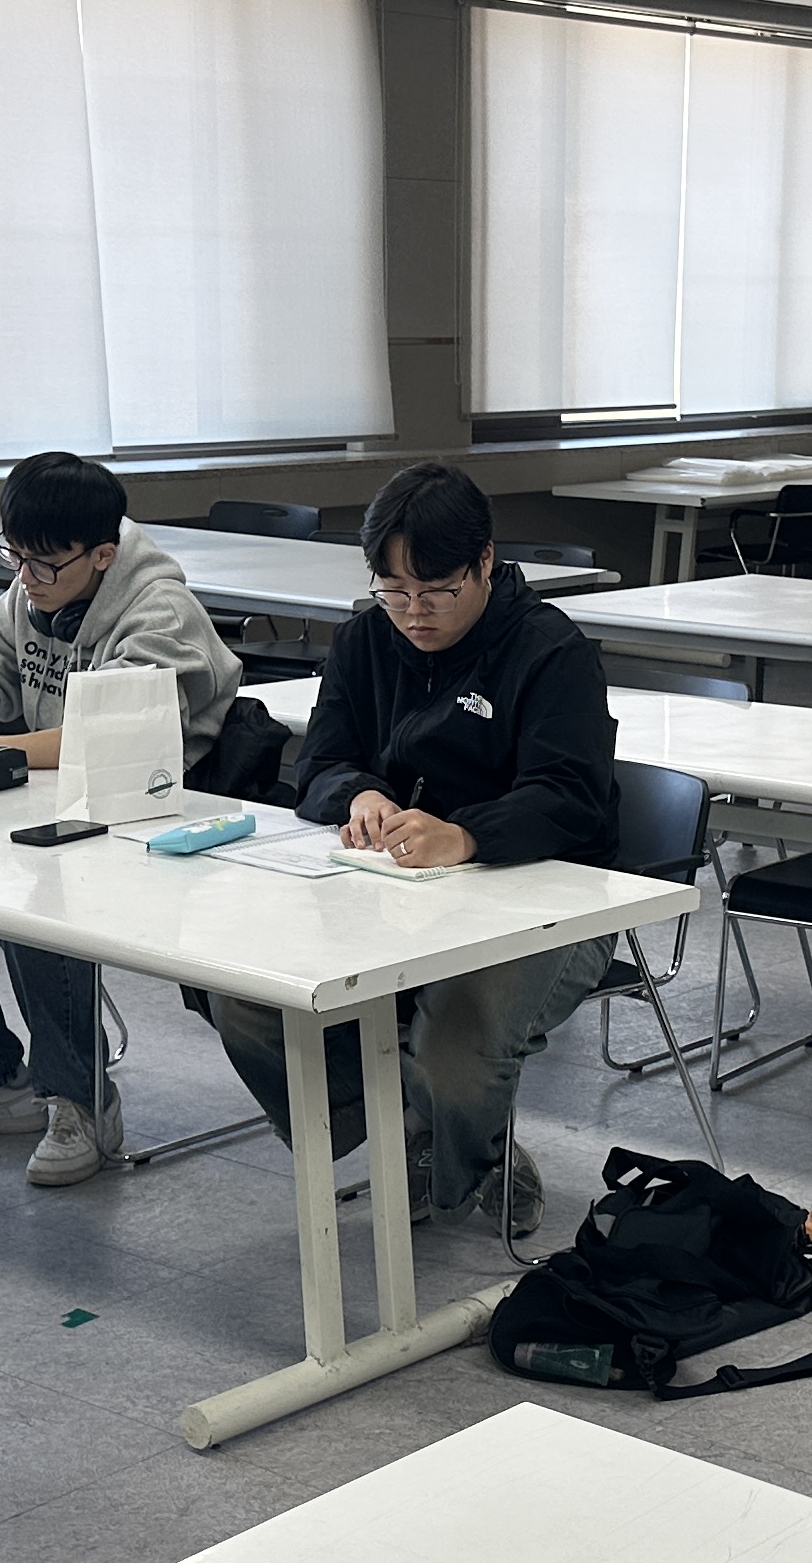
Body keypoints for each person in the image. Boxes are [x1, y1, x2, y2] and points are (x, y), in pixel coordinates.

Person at [205, 462, 615, 1237]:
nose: (414, 614)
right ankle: (415, 1133)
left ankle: (460, 1145)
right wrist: (359, 795)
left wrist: (466, 835)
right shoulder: (367, 638)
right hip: (388, 891)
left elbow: (571, 797)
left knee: (456, 1043)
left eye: (436, 592)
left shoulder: (549, 650)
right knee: (249, 999)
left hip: (548, 899)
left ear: (485, 562)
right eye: (394, 592)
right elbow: (321, 761)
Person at [0, 452, 242, 1187]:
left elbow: (100, 740)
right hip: (66, 807)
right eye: (13, 557)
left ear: (102, 555)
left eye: (43, 564)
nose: (25, 578)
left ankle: (81, 1100)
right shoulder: (31, 591)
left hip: (167, 828)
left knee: (43, 901)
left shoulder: (159, 614)